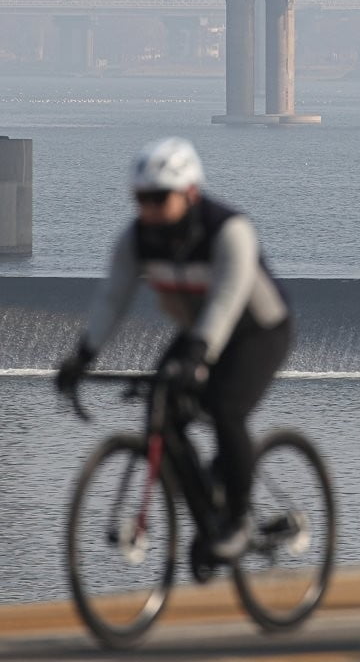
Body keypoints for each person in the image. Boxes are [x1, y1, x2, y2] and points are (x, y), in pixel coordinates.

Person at [55, 137, 293, 562]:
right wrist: (84, 356)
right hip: (199, 329)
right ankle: (207, 508)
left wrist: (198, 356)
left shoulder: (229, 231)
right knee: (160, 411)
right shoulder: (137, 240)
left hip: (258, 330)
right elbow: (113, 299)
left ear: (190, 194)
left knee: (224, 406)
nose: (148, 209)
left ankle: (237, 520)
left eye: (159, 199)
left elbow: (225, 302)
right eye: (140, 199)